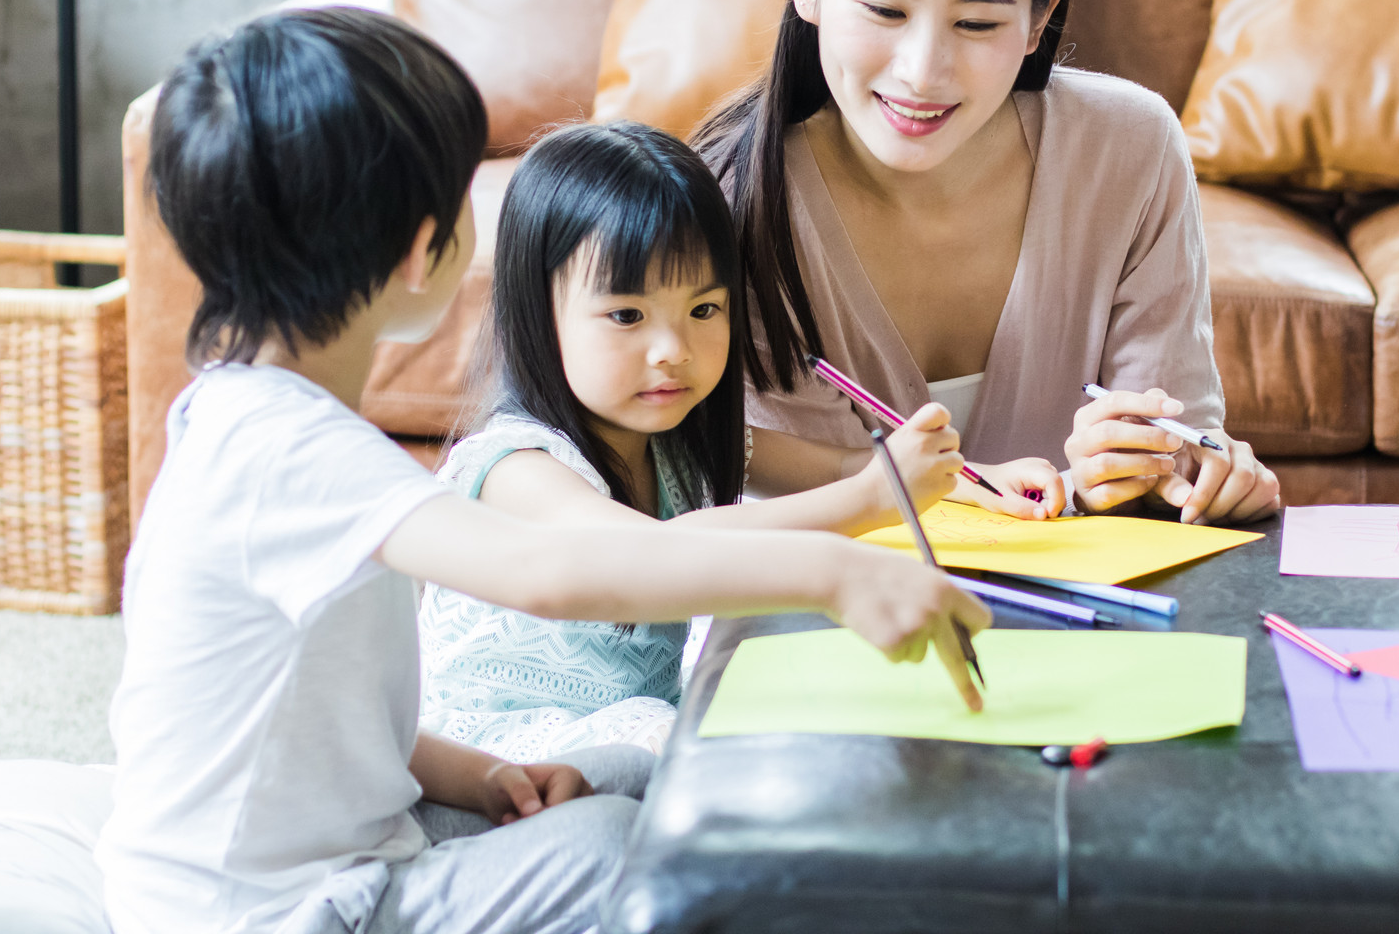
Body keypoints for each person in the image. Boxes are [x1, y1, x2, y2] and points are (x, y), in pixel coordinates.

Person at [96, 9, 989, 934]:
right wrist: (835, 568)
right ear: (422, 246)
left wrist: (475, 778)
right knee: (619, 843)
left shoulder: (253, 420)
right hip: (277, 913)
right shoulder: (290, 449)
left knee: (645, 778)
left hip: (321, 859)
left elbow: (329, 720)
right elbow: (548, 574)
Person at [697, 0, 1282, 526]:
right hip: (828, 614)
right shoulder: (727, 198)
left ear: (1041, 17)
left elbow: (1175, 448)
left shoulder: (1130, 150)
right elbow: (731, 479)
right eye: (884, 10)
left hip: (1084, 619)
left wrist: (1171, 475)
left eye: (977, 22)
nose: (922, 71)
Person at [420, 120, 983, 762]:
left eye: (704, 310)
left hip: (632, 730)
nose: (673, 351)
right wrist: (866, 501)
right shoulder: (515, 467)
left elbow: (848, 468)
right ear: (536, 312)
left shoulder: (677, 440)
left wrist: (975, 479)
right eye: (627, 316)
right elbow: (649, 554)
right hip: (495, 752)